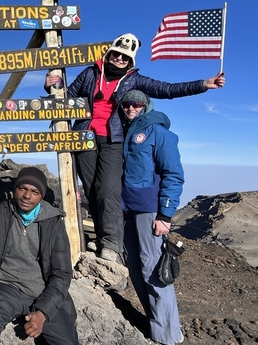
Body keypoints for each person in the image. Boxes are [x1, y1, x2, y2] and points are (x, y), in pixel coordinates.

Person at [44, 33, 225, 261]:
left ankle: (111, 245)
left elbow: (166, 89)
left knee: (108, 188)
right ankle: (101, 238)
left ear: (130, 61)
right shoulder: (90, 73)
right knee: (91, 190)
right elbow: (66, 97)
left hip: (115, 140)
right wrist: (52, 84)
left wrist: (203, 84)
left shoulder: (134, 79)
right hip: (84, 137)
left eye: (125, 57)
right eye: (117, 54)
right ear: (109, 54)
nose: (120, 58)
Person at [0, 167, 79, 345]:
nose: (27, 195)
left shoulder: (54, 224)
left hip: (42, 291)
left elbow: (61, 274)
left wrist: (43, 312)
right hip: (5, 289)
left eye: (34, 191)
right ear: (15, 189)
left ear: (41, 196)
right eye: (22, 188)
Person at [119, 90, 184, 345]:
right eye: (126, 104)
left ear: (145, 106)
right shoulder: (124, 131)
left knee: (154, 269)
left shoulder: (158, 132)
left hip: (149, 211)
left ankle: (168, 336)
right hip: (125, 209)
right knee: (135, 267)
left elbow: (173, 174)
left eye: (136, 104)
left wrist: (165, 215)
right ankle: (156, 324)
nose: (130, 108)